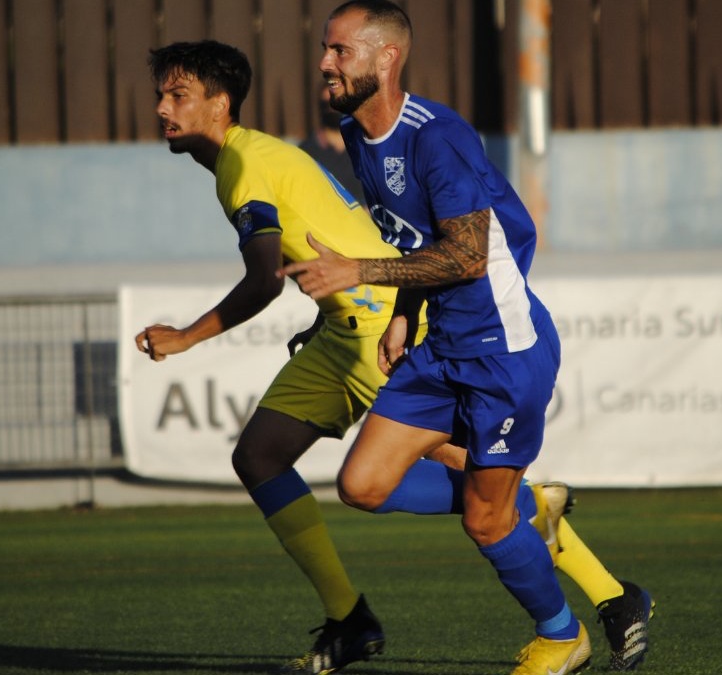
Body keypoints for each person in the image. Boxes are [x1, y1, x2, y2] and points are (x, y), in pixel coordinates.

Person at [135, 40, 647, 674]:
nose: (162, 106)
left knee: (468, 479)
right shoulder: (249, 158)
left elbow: (265, 278)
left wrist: (185, 336)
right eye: (162, 94)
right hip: (347, 322)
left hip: (374, 325)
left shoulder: (244, 163)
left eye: (177, 94)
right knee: (262, 456)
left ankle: (603, 597)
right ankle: (351, 618)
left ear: (220, 102)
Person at [279, 2, 652, 673]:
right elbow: (419, 240)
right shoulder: (357, 134)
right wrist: (402, 314)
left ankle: (562, 634)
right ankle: (528, 503)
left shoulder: (438, 136)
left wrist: (355, 271)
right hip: (441, 347)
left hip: (503, 353)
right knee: (363, 484)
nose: (325, 64)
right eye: (326, 51)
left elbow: (468, 257)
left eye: (339, 51)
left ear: (385, 58)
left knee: (484, 521)